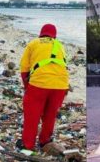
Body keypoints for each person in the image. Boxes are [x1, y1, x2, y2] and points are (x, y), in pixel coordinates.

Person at [17, 23, 69, 151]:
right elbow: (63, 66)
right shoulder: (60, 46)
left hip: (39, 83)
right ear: (54, 36)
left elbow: (24, 69)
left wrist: (27, 87)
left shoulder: (34, 43)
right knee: (50, 114)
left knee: (32, 115)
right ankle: (45, 141)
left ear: (41, 33)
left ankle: (28, 145)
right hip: (61, 85)